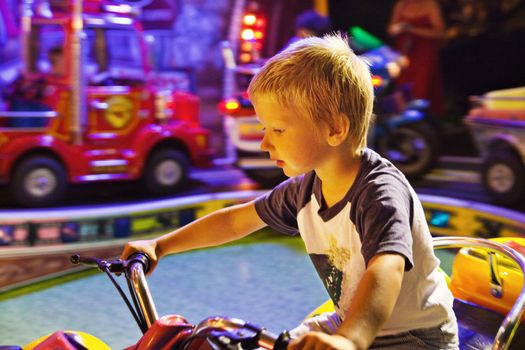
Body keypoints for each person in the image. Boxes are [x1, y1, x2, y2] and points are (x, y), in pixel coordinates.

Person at [120, 33, 458, 349]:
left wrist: (350, 340)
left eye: (278, 129)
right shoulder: (306, 189)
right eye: (265, 128)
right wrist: (160, 245)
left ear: (335, 129)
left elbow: (385, 269)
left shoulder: (379, 194)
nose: (265, 142)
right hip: (349, 322)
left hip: (413, 337)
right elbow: (236, 221)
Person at [387, 0, 446, 117]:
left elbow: (440, 32)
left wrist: (412, 29)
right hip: (404, 54)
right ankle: (403, 121)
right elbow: (391, 30)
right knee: (403, 86)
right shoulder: (402, 5)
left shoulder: (430, 4)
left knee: (421, 86)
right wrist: (398, 28)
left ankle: (424, 121)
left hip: (424, 53)